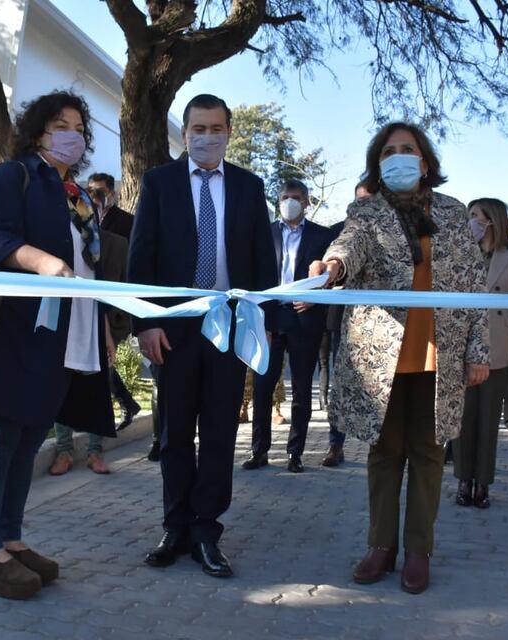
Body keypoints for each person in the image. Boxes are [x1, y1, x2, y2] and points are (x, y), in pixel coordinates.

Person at [309, 122, 489, 594]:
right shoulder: (366, 211)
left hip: (439, 355)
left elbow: (474, 285)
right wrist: (331, 267)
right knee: (384, 454)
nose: (400, 157)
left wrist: (478, 351)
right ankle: (380, 547)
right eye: (390, 151)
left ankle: (418, 551)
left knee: (429, 458)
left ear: (425, 161)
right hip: (381, 357)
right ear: (378, 162)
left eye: (408, 149)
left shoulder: (453, 214)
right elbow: (350, 246)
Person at [0, 90, 116, 599]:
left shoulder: (79, 196)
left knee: (27, 442)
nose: (73, 135)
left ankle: (11, 540)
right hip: (12, 332)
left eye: (79, 127)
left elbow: (89, 268)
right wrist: (41, 262)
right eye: (60, 125)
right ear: (38, 131)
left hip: (62, 339)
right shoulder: (14, 176)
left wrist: (103, 326)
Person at [128, 94, 277, 578]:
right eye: (197, 128)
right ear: (184, 132)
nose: (206, 136)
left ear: (229, 132)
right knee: (173, 434)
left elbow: (261, 263)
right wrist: (144, 322)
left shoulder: (250, 187)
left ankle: (207, 531)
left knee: (218, 431)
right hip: (172, 329)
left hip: (228, 327)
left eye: (215, 128)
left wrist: (262, 325)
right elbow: (141, 258)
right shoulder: (158, 183)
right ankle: (175, 526)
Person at [243, 179, 332, 473]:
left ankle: (296, 453)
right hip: (271, 317)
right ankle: (259, 451)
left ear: (306, 202)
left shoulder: (323, 236)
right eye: (284, 197)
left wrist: (316, 299)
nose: (289, 202)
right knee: (262, 385)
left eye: (295, 197)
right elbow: (255, 276)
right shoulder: (265, 234)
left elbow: (333, 277)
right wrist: (262, 320)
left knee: (303, 388)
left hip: (305, 319)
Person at [453, 198, 508, 509]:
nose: (470, 221)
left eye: (475, 216)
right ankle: (462, 479)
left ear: (492, 220)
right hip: (461, 346)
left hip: (498, 345)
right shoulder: (459, 251)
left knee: (488, 420)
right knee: (461, 418)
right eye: (469, 215)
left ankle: (483, 482)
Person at [50, 229, 135, 476]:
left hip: (94, 324)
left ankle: (95, 452)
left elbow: (98, 294)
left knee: (97, 386)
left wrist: (107, 335)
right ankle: (64, 450)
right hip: (64, 322)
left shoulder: (104, 243)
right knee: (62, 388)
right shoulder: (58, 239)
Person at [87, 174, 143, 432]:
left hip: (114, 307)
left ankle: (115, 410)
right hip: (87, 301)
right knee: (96, 361)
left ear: (112, 193)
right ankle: (126, 402)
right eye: (90, 191)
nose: (95, 197)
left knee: (101, 360)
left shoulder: (127, 223)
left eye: (99, 191)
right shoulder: (81, 217)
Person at [321, 183, 371, 468]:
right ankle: (335, 445)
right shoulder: (335, 232)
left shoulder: (390, 233)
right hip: (342, 321)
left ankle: (382, 447)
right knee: (339, 386)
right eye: (360, 200)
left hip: (381, 324)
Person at [88, 172, 135, 239]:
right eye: (91, 191)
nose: (95, 195)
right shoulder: (83, 219)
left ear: (112, 194)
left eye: (101, 191)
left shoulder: (128, 221)